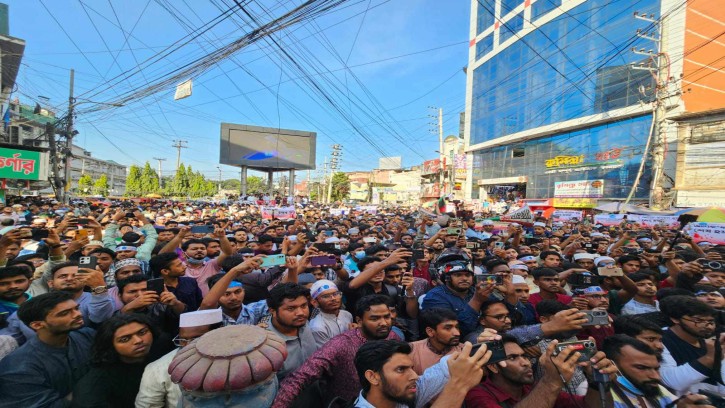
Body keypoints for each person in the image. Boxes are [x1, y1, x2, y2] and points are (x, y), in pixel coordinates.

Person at [271, 295, 401, 408]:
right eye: (375, 319)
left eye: (387, 317)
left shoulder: (393, 338)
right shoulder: (340, 345)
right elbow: (300, 377)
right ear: (359, 321)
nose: (384, 323)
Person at [464, 334, 617, 407]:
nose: (525, 363)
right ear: (492, 366)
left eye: (524, 356)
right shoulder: (477, 394)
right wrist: (552, 380)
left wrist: (597, 382)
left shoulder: (532, 387)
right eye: (513, 358)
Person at [0, 292, 96, 406]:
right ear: (37, 325)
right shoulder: (18, 367)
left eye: (76, 308)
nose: (78, 314)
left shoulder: (87, 336)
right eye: (65, 313)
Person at [352, 340, 491, 408]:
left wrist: (479, 348)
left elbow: (445, 368)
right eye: (401, 369)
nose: (414, 376)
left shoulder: (402, 395)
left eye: (411, 368)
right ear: (373, 377)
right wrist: (459, 384)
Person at [135, 309, 223, 408]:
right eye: (183, 340)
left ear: (218, 335)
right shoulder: (157, 369)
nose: (188, 346)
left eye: (195, 339)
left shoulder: (237, 359)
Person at [72, 314, 155, 407]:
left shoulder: (163, 349)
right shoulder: (97, 383)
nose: (138, 340)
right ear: (110, 345)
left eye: (142, 332)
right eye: (125, 339)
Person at [659, 295, 725, 394]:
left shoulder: (709, 342)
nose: (707, 326)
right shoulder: (658, 340)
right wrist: (710, 358)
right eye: (698, 320)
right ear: (675, 319)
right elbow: (672, 382)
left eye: (710, 321)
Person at [421, 258, 496, 338]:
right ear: (447, 278)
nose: (464, 278)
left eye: (468, 275)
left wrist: (509, 295)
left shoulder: (475, 291)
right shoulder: (435, 297)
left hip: (486, 333)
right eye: (458, 275)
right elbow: (456, 331)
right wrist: (477, 300)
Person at [602, 334, 679, 407]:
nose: (656, 377)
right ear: (612, 365)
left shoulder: (655, 388)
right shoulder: (601, 397)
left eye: (656, 369)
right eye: (642, 368)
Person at [158, 226, 234, 295]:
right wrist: (180, 236)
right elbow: (162, 256)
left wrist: (222, 237)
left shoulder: (212, 264)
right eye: (194, 249)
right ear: (184, 253)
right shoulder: (179, 266)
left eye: (202, 249)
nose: (199, 251)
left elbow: (227, 253)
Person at [265, 282, 316, 380]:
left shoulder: (303, 323)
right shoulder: (267, 345)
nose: (300, 313)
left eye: (304, 306)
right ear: (272, 311)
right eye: (291, 308)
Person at [199, 256, 267, 326]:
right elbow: (208, 304)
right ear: (216, 296)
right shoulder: (211, 317)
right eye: (226, 294)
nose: (234, 298)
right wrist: (235, 270)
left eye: (237, 292)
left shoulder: (256, 311)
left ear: (243, 290)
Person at [409, 308, 464, 374]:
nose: (457, 333)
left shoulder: (464, 350)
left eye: (457, 327)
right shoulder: (412, 351)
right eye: (448, 328)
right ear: (430, 331)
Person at [308, 279, 353, 348]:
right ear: (315, 302)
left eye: (336, 294)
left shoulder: (347, 315)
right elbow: (329, 354)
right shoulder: (317, 327)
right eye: (326, 296)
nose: (333, 298)